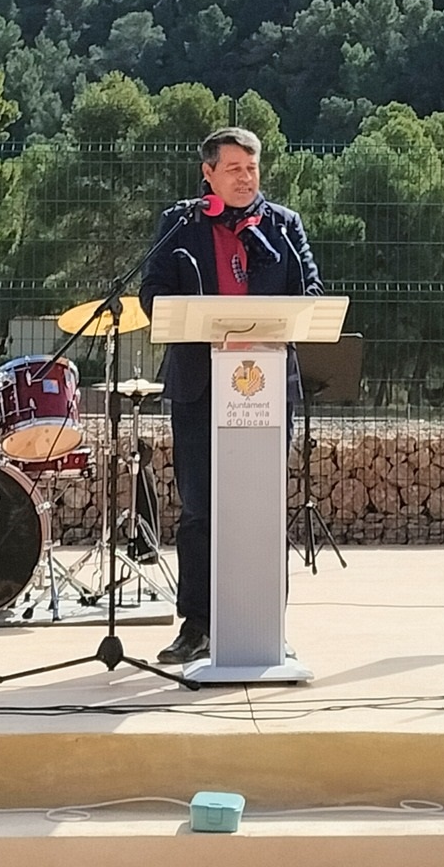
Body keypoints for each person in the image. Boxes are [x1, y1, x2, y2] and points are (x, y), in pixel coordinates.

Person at [138, 126, 321, 665]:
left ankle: (267, 625)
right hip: (199, 383)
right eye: (234, 169)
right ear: (209, 174)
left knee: (264, 507)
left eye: (252, 168)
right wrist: (204, 325)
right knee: (199, 509)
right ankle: (197, 625)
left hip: (265, 384)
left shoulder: (284, 227)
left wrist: (261, 330)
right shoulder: (180, 224)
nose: (246, 178)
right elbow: (153, 295)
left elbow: (307, 295)